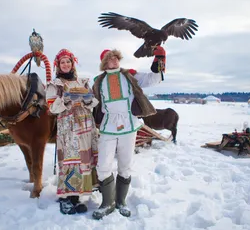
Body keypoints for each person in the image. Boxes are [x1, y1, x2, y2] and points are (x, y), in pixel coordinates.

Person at [91, 46, 166, 219]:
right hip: (108, 126)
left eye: (117, 57)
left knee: (125, 165)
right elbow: (88, 98)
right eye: (111, 58)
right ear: (104, 62)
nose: (115, 61)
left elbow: (152, 79)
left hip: (129, 126)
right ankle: (106, 203)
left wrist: (159, 60)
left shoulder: (130, 75)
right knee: (103, 166)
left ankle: (120, 202)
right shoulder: (97, 81)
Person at [46, 48, 99, 215]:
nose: (66, 64)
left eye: (68, 61)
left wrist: (88, 99)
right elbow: (52, 108)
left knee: (84, 160)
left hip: (85, 125)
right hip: (68, 128)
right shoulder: (55, 85)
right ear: (58, 65)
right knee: (70, 161)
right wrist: (66, 99)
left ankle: (79, 196)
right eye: (62, 62)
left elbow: (92, 102)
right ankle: (67, 197)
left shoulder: (82, 82)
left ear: (72, 63)